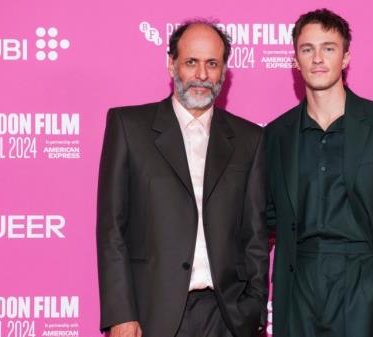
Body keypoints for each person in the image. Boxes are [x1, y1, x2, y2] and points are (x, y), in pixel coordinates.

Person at [265, 8, 373, 337]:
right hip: (299, 281)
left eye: (329, 48)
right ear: (295, 60)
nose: (318, 58)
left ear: (345, 58)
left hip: (363, 276)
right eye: (307, 49)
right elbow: (268, 214)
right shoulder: (276, 134)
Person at [97, 20, 268, 337]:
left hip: (228, 318)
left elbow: (255, 236)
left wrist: (255, 309)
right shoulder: (128, 127)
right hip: (151, 316)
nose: (202, 75)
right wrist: (121, 314)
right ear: (171, 64)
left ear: (224, 71)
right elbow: (112, 230)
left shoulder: (249, 139)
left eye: (212, 64)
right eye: (191, 62)